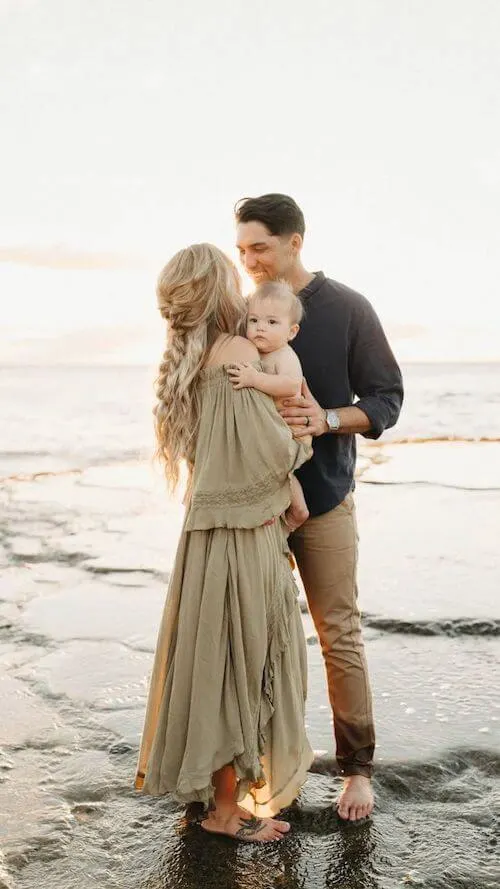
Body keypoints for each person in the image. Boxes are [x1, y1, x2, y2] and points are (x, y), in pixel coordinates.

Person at [134, 243, 314, 843]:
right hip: (244, 535)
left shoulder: (190, 361)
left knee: (213, 664)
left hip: (208, 537)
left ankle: (215, 801)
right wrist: (299, 451)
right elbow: (270, 450)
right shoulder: (238, 351)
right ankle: (222, 812)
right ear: (221, 292)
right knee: (241, 663)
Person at [234, 194, 404, 822]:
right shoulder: (242, 312)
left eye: (260, 247)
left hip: (326, 496)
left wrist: (327, 418)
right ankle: (253, 770)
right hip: (255, 501)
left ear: (294, 241)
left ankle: (356, 771)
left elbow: (386, 399)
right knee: (252, 636)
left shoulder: (348, 308)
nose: (250, 260)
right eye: (242, 249)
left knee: (338, 633)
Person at [226, 279, 309, 530]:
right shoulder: (257, 351)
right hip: (275, 431)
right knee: (274, 471)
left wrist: (255, 379)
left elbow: (291, 386)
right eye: (254, 320)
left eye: (272, 322)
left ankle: (298, 512)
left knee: (279, 471)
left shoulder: (284, 356)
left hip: (290, 432)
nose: (261, 328)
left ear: (291, 332)